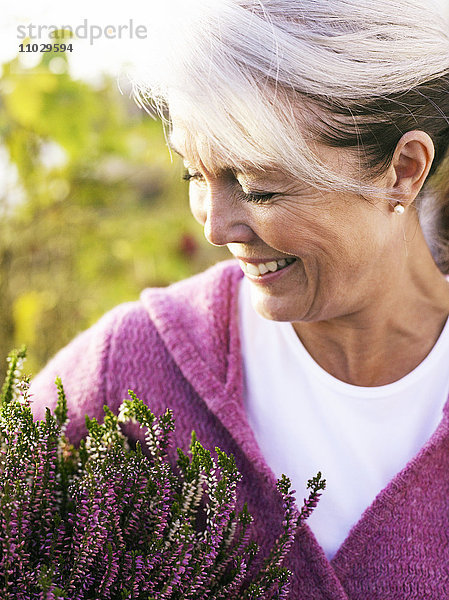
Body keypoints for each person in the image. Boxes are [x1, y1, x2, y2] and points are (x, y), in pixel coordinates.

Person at [29, 0, 449, 597]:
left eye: (258, 187)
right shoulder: (136, 363)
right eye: (194, 175)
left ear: (404, 169)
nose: (214, 228)